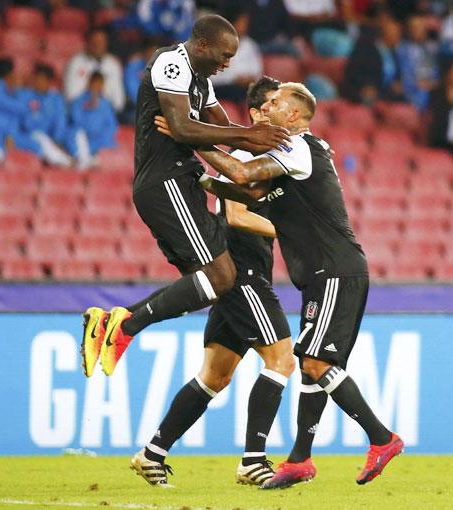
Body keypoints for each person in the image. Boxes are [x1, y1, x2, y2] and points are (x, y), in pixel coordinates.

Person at [170, 81, 403, 488]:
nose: (266, 108)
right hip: (318, 275)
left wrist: (187, 137)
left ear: (293, 115)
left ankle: (382, 438)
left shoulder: (298, 147)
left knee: (315, 362)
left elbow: (242, 173)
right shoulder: (290, 156)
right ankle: (299, 460)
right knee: (312, 371)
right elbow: (248, 188)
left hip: (336, 270)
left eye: (276, 103)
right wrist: (203, 181)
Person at [79, 15, 289, 382]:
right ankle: (124, 327)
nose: (228, 63)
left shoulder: (201, 80)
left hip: (181, 181)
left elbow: (220, 129)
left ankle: (114, 325)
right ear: (202, 44)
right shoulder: (172, 62)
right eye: (224, 55)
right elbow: (181, 126)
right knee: (221, 275)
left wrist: (246, 139)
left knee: (209, 283)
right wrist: (245, 137)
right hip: (166, 181)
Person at [130, 76, 295, 487]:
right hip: (243, 275)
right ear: (257, 114)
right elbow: (237, 216)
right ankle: (253, 459)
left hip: (245, 272)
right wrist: (295, 232)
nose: (283, 109)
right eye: (274, 103)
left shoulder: (267, 156)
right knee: (282, 360)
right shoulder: (243, 153)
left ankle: (152, 454)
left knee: (215, 377)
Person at [17, 63, 74, 167]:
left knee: (75, 133)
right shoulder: (25, 95)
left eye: (42, 79)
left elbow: (60, 121)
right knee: (39, 135)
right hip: (29, 136)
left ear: (48, 81)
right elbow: (25, 123)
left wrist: (57, 139)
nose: (38, 82)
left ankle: (78, 161)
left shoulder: (56, 98)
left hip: (51, 139)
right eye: (37, 78)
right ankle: (64, 162)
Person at [340, 17, 405, 106]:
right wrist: (366, 85)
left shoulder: (394, 54)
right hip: (364, 89)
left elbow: (397, 76)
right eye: (395, 34)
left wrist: (397, 83)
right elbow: (354, 70)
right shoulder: (366, 48)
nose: (398, 38)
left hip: (387, 92)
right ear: (384, 34)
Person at [65, 71, 118, 169]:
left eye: (100, 84)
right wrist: (89, 109)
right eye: (95, 83)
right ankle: (84, 162)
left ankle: (91, 161)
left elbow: (111, 126)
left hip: (99, 144)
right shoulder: (78, 101)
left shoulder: (106, 104)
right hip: (81, 143)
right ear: (89, 83)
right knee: (78, 135)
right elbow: (76, 123)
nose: (97, 87)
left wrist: (101, 144)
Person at [64, 27, 125, 112]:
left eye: (102, 42)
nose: (98, 46)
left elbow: (119, 101)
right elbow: (71, 96)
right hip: (82, 110)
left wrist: (103, 105)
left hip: (108, 111)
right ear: (87, 43)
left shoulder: (113, 64)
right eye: (95, 43)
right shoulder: (76, 63)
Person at [211, 6, 263, 103]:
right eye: (242, 22)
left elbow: (258, 73)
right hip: (222, 88)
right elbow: (211, 78)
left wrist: (249, 79)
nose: (246, 25)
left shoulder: (250, 45)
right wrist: (234, 79)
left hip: (246, 87)